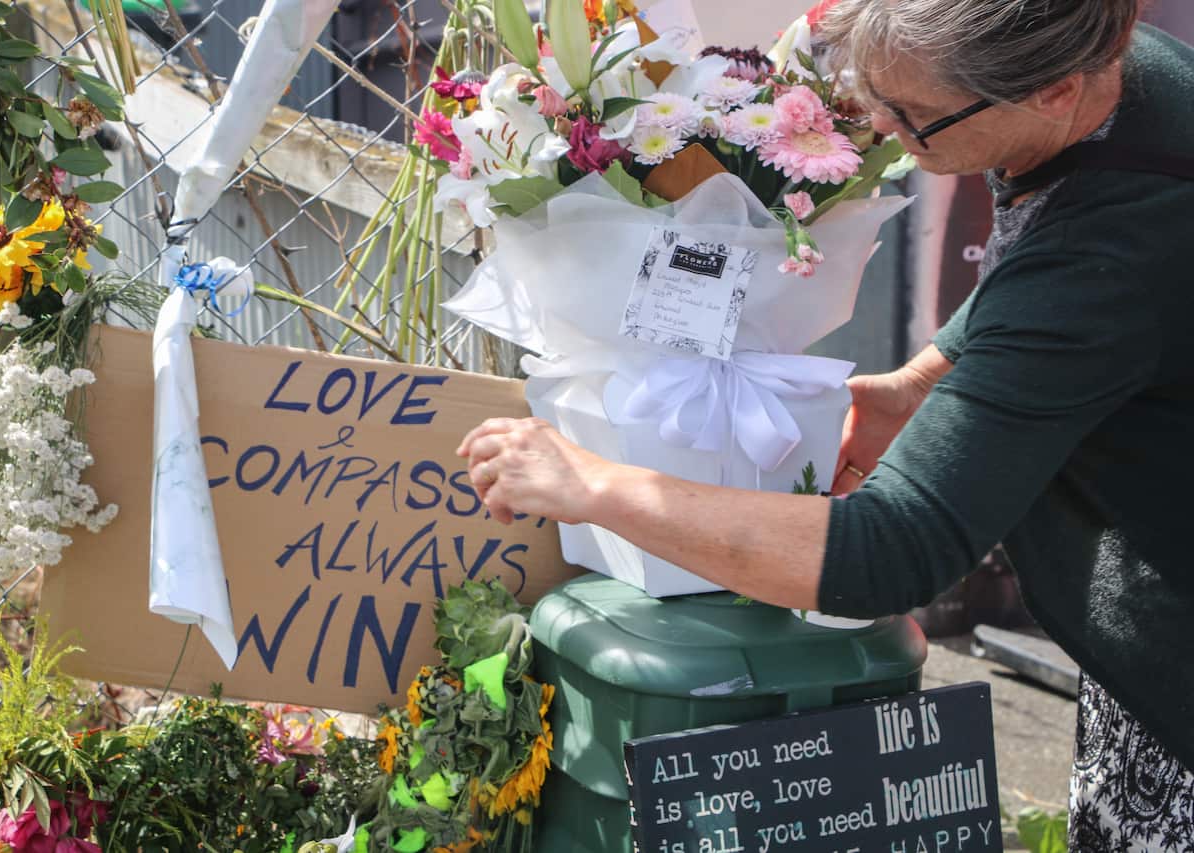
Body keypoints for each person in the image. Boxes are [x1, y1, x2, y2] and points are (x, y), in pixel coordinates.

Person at [456, 0, 1194, 847]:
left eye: (911, 117)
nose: (879, 123)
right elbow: (1050, 266)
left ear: (1056, 93)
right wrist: (919, 385)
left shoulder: (1115, 247)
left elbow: (890, 552)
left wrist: (593, 484)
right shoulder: (1120, 72)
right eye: (871, 89)